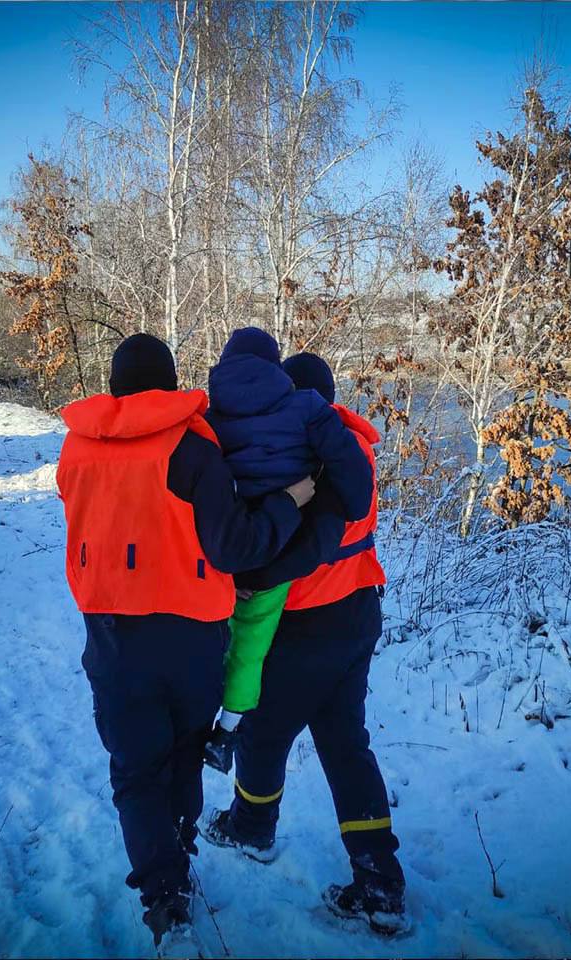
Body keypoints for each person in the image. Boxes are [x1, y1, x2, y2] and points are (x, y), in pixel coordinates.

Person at [56, 333, 315, 948]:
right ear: (171, 383)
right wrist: (288, 502)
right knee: (182, 750)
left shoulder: (77, 447)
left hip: (113, 632)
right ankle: (180, 848)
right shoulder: (194, 444)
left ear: (114, 382)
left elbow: (78, 507)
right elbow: (233, 546)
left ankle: (165, 898)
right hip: (191, 635)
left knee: (135, 768)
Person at [201, 351, 408, 937]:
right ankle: (380, 884)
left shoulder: (303, 456)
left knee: (265, 733)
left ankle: (250, 827)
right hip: (359, 614)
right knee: (347, 746)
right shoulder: (356, 448)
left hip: (300, 623)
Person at [201, 328, 373, 773]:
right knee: (345, 739)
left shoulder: (211, 416)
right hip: (340, 603)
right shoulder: (331, 442)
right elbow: (346, 510)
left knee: (263, 721)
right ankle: (369, 840)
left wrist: (241, 571)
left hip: (253, 570)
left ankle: (245, 808)